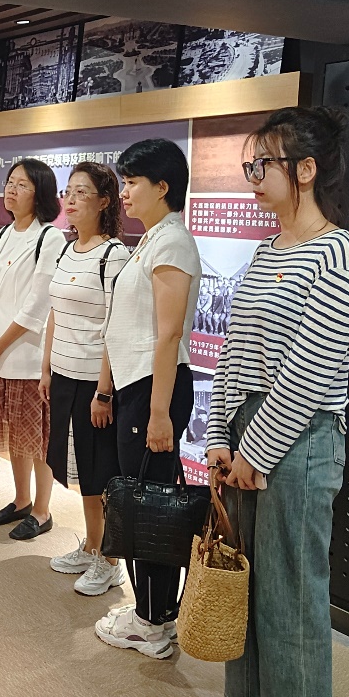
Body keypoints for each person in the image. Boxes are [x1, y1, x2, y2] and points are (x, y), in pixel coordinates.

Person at [194, 107, 349, 697]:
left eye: (263, 163)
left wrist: (255, 455)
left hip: (301, 442)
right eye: (252, 164)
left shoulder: (339, 253)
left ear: (307, 169)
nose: (253, 176)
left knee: (291, 592)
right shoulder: (268, 250)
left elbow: (310, 369)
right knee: (246, 579)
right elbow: (235, 351)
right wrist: (218, 438)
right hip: (250, 432)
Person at [96, 137, 201, 659]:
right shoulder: (152, 239)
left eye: (133, 182)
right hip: (138, 388)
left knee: (151, 506)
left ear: (163, 187)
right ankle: (151, 612)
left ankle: (154, 624)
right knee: (140, 501)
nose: (125, 192)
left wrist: (159, 412)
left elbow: (168, 333)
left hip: (154, 390)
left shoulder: (172, 243)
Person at [42, 162, 131, 587]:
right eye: (68, 192)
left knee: (101, 472)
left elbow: (116, 326)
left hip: (94, 381)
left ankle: (111, 562)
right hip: (63, 375)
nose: (71, 200)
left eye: (82, 192)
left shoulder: (114, 255)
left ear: (105, 201)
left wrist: (104, 391)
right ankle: (93, 545)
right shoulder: (65, 248)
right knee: (80, 470)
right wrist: (46, 368)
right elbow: (55, 313)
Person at [0, 159, 61, 539]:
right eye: (10, 182)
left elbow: (38, 305)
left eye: (22, 184)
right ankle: (21, 500)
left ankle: (42, 511)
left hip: (26, 355)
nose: (11, 189)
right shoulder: (2, 234)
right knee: (14, 432)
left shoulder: (50, 238)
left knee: (37, 437)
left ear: (40, 193)